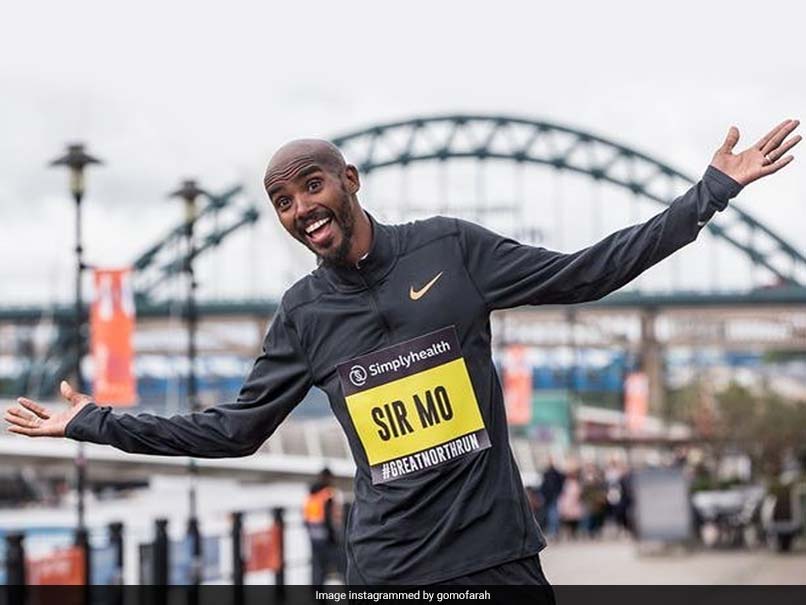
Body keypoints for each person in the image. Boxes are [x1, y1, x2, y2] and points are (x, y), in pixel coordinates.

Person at [4, 120, 800, 586]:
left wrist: (709, 194)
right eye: (281, 201)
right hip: (389, 570)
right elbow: (232, 430)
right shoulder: (302, 314)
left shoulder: (450, 249)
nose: (299, 209)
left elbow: (588, 271)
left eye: (310, 186)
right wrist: (91, 422)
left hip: (497, 554)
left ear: (347, 178)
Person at [303, 467, 342, 586]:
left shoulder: (312, 493)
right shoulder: (327, 494)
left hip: (313, 534)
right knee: (339, 563)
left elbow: (306, 515)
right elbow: (328, 517)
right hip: (326, 534)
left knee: (317, 565)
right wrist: (333, 536)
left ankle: (316, 592)